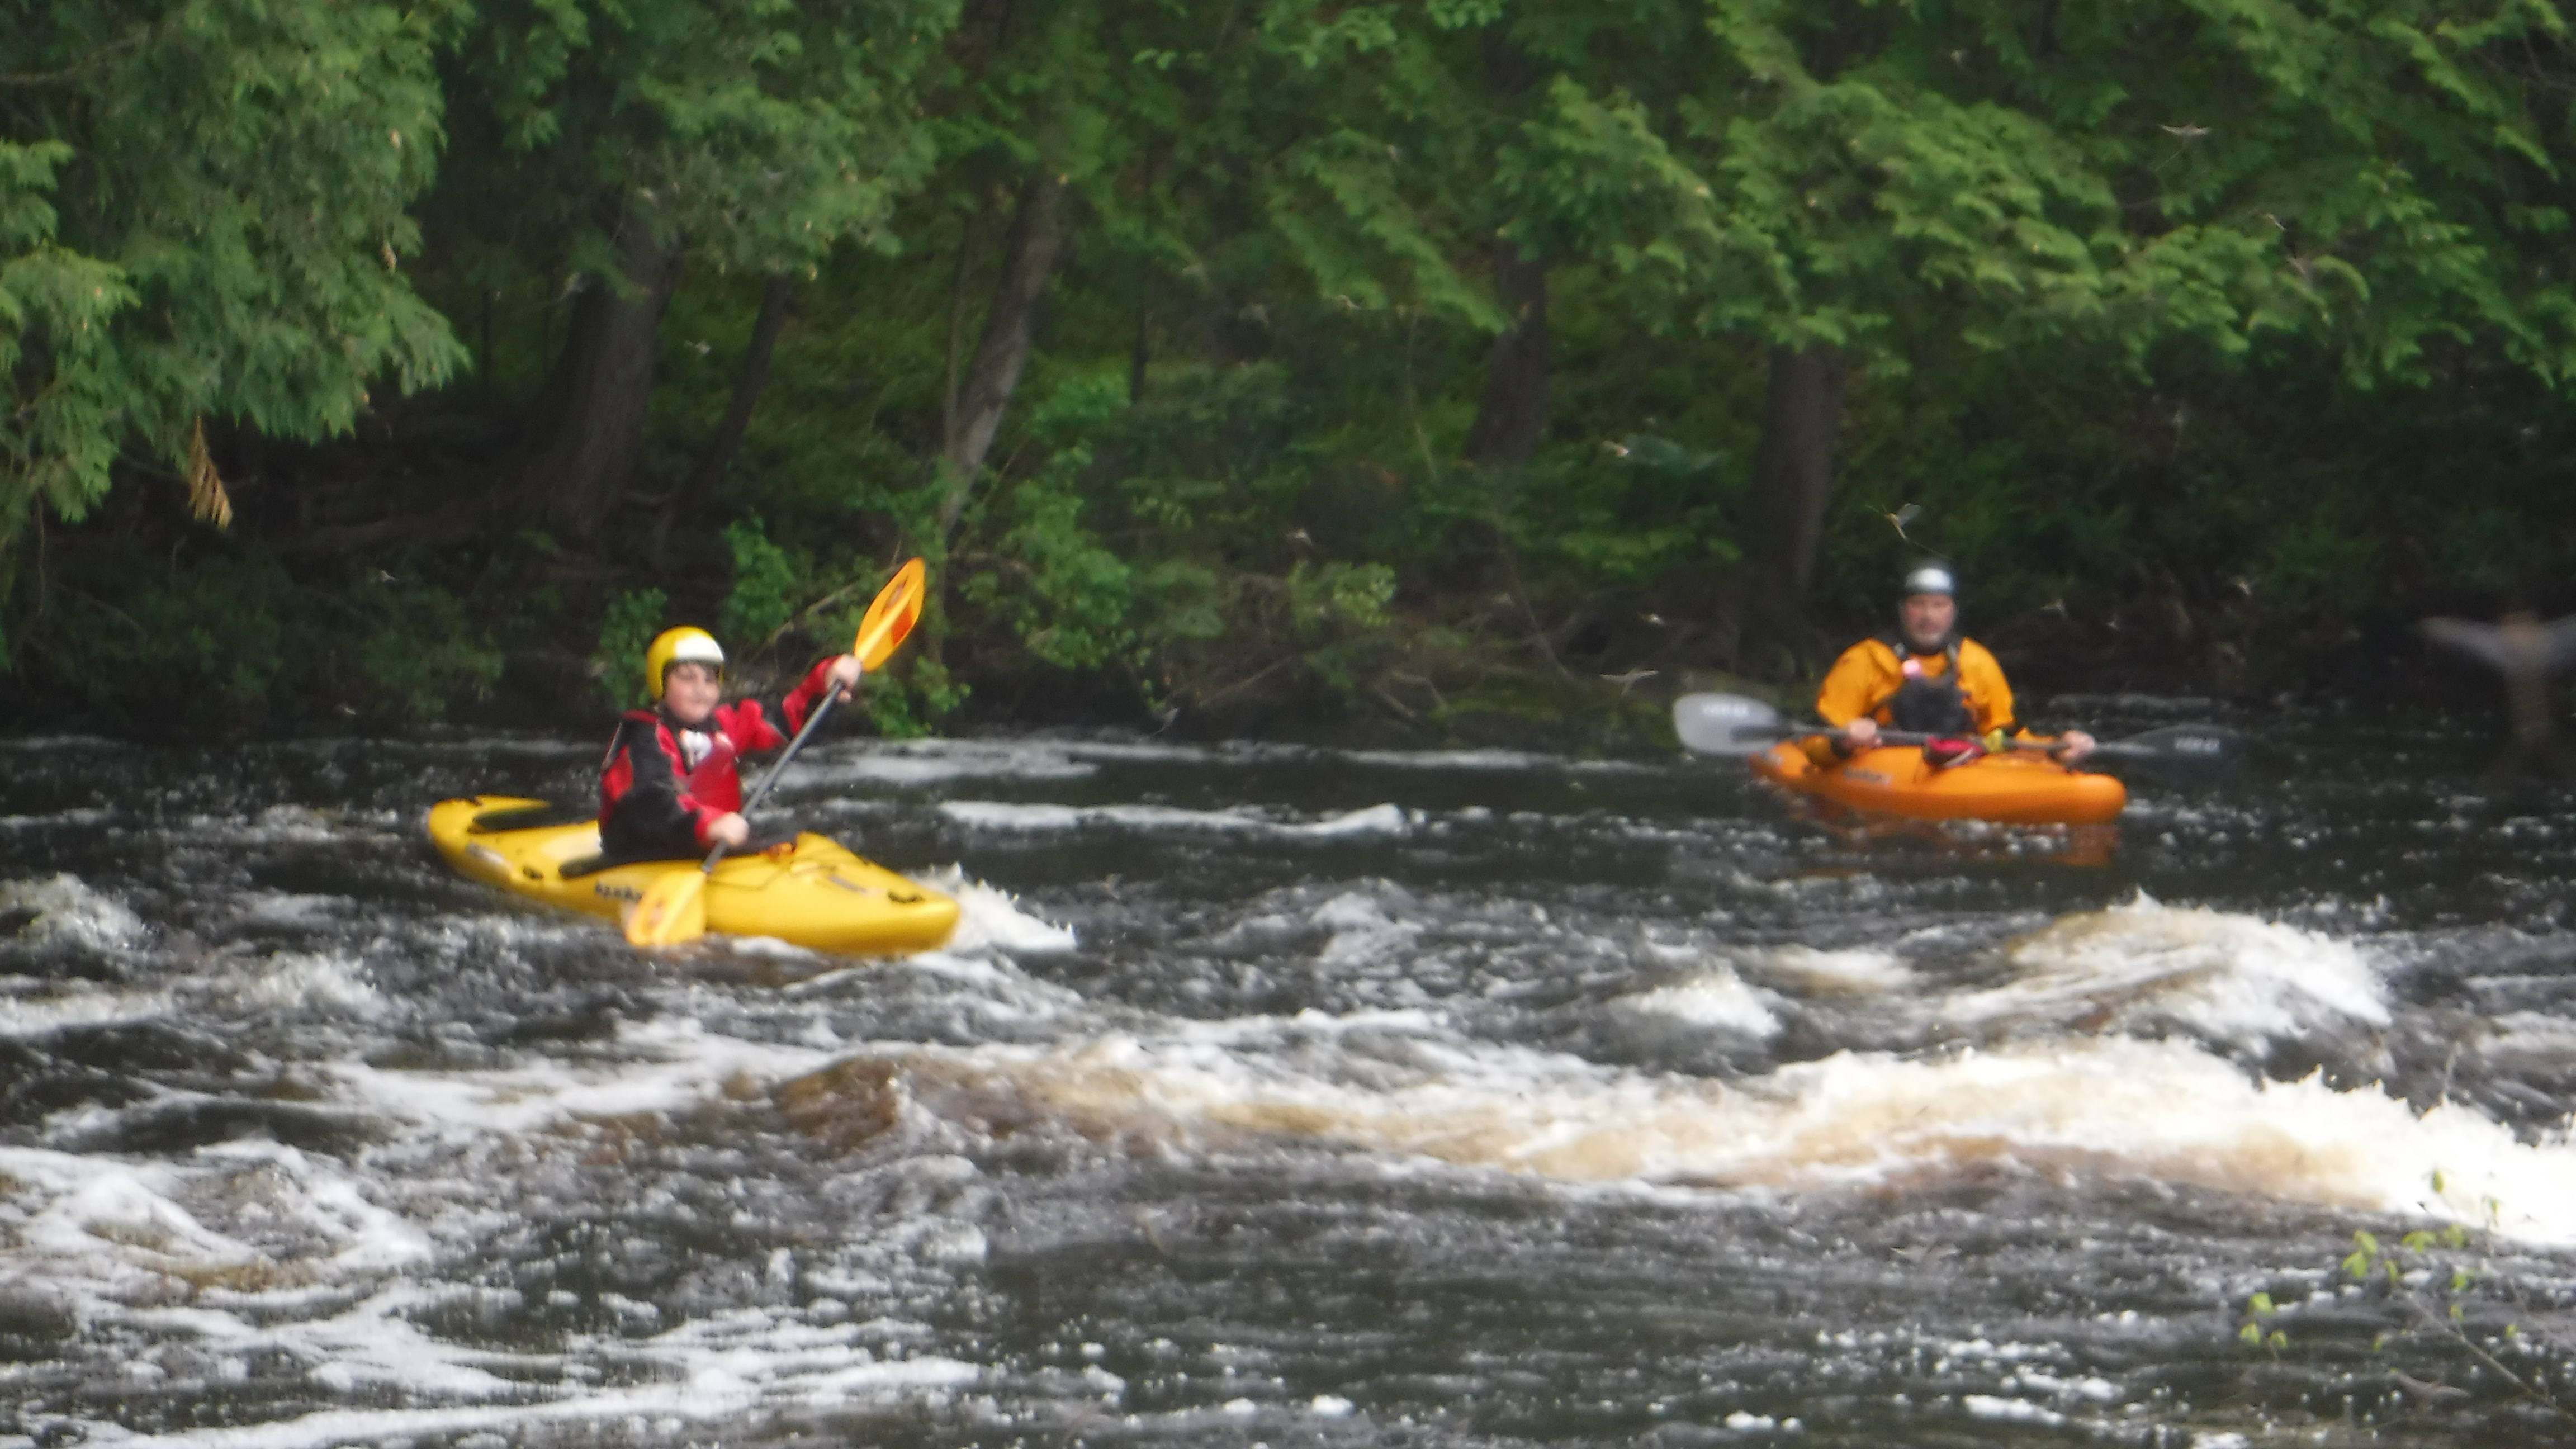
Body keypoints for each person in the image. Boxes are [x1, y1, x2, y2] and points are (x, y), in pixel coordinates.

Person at [598, 627, 864, 860]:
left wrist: (826, 680)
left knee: (788, 832)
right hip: (649, 851)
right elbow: (652, 800)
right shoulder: (643, 736)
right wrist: (709, 825)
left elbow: (784, 721)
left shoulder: (725, 725)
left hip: (714, 844)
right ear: (661, 682)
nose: (701, 689)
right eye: (687, 678)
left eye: (709, 679)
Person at [1810, 562, 2095, 766]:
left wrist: (2058, 748)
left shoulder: (1977, 662)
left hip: (1956, 764)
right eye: (1918, 605)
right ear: (1902, 610)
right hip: (1882, 765)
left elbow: (2009, 737)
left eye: (1938, 606)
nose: (1928, 616)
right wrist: (1844, 741)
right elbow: (1813, 744)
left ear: (1953, 612)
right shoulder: (1865, 660)